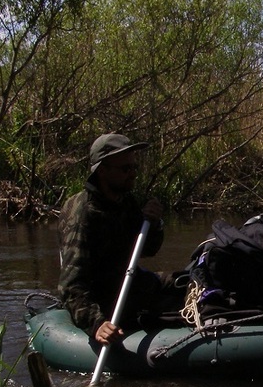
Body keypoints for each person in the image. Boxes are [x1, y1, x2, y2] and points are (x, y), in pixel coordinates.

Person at [58, 133, 176, 346]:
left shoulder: (124, 201)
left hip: (128, 280)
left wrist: (154, 223)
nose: (132, 174)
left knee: (185, 281)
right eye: (125, 169)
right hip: (104, 297)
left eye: (134, 168)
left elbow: (147, 250)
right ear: (102, 170)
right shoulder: (84, 215)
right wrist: (96, 323)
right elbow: (72, 285)